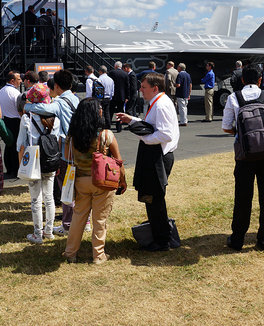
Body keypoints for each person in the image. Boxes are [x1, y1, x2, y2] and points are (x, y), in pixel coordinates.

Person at [222, 64, 264, 251]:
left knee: (242, 197)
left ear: (242, 80)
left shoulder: (234, 98)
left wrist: (243, 135)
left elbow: (226, 127)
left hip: (244, 154)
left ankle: (237, 240)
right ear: (260, 80)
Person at [116, 72, 180, 251]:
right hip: (155, 154)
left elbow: (165, 134)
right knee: (153, 198)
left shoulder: (161, 105)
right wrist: (133, 121)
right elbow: (152, 125)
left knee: (155, 199)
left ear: (155, 88)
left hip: (158, 157)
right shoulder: (157, 102)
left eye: (144, 87)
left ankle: (162, 241)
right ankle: (159, 235)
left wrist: (143, 137)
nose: (140, 90)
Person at [62, 98, 127, 264]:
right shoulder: (106, 135)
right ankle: (98, 256)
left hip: (80, 181)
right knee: (99, 219)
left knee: (78, 217)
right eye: (99, 108)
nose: (101, 110)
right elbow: (118, 161)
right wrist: (123, 181)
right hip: (103, 182)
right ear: (94, 113)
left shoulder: (72, 136)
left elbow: (67, 156)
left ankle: (70, 253)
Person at [24, 69, 80, 236]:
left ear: (56, 85)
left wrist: (27, 105)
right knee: (78, 189)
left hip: (66, 152)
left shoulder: (60, 103)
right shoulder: (75, 99)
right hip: (80, 149)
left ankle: (68, 224)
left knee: (67, 189)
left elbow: (42, 108)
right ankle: (84, 222)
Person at [17, 83, 58, 243]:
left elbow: (21, 144)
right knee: (49, 197)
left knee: (35, 199)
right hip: (50, 160)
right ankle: (49, 231)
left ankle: (37, 233)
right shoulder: (55, 118)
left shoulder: (27, 118)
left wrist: (21, 165)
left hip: (33, 161)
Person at [0, 71, 22, 177]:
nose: (20, 81)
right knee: (16, 146)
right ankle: (15, 169)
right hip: (15, 121)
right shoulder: (15, 93)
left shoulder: (1, 91)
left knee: (8, 145)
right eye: (19, 79)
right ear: (13, 80)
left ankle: (9, 168)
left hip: (5, 120)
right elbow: (19, 108)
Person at [108, 61, 129, 133]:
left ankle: (108, 126)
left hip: (113, 95)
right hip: (122, 96)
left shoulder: (112, 73)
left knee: (110, 111)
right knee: (120, 112)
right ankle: (119, 128)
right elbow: (127, 86)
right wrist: (127, 96)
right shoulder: (125, 74)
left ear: (116, 66)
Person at [98, 65, 115, 130]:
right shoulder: (111, 79)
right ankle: (108, 125)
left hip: (102, 97)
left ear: (100, 71)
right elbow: (112, 90)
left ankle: (101, 125)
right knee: (107, 112)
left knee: (100, 112)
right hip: (108, 98)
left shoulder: (99, 79)